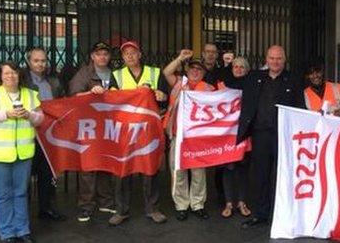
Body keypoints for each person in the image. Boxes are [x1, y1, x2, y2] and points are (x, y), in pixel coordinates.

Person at [224, 45, 305, 229]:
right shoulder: (254, 77)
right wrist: (228, 65)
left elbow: (301, 109)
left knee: (283, 176)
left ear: (284, 60)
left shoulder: (293, 80)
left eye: (279, 58)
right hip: (260, 135)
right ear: (266, 59)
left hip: (283, 136)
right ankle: (261, 214)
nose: (275, 62)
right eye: (272, 58)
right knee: (261, 176)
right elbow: (231, 82)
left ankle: (283, 214)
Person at [0, 61, 44, 243]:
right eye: (6, 73)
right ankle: (7, 234)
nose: (10, 76)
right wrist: (5, 114)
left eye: (14, 73)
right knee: (3, 195)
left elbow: (40, 119)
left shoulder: (30, 95)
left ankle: (23, 231)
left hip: (23, 154)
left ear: (19, 75)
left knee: (21, 193)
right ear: (0, 76)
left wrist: (29, 115)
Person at [108, 40, 168, 226]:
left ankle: (153, 208)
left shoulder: (155, 72)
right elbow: (111, 100)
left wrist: (161, 95)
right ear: (123, 57)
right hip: (125, 130)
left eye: (133, 52)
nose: (130, 56)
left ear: (140, 54)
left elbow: (166, 98)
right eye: (126, 54)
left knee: (149, 168)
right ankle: (122, 211)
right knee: (122, 170)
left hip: (148, 129)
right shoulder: (116, 75)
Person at [303, 60, 340, 235]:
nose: (315, 76)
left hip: (338, 142)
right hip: (317, 147)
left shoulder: (336, 88)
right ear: (307, 76)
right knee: (320, 184)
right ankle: (322, 220)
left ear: (323, 72)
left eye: (318, 71)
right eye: (311, 73)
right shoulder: (304, 94)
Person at [162, 49, 215, 221]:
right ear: (187, 70)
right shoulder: (178, 82)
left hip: (198, 138)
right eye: (192, 68)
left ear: (203, 73)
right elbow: (166, 72)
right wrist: (180, 58)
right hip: (178, 135)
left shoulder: (209, 89)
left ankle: (198, 204)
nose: (195, 71)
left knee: (199, 172)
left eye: (199, 69)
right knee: (178, 170)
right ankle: (181, 205)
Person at [68, 42, 116, 222]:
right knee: (88, 166)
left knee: (105, 163)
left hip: (108, 126)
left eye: (105, 54)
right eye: (99, 54)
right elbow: (73, 96)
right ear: (92, 57)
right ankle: (85, 206)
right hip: (88, 126)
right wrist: (91, 93)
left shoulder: (114, 74)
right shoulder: (84, 74)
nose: (102, 57)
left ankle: (106, 202)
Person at [22, 48, 66, 222]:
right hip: (28, 135)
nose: (40, 64)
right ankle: (23, 213)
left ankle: (46, 208)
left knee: (47, 174)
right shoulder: (22, 82)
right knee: (25, 176)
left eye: (43, 61)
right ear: (28, 61)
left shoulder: (53, 81)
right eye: (36, 60)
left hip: (48, 136)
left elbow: (63, 103)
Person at [218, 56, 252, 219]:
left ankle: (242, 202)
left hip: (245, 132)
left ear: (247, 70)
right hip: (227, 133)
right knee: (229, 168)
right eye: (235, 67)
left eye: (242, 67)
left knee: (243, 168)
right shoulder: (224, 85)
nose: (238, 70)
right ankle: (229, 203)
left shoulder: (252, 86)